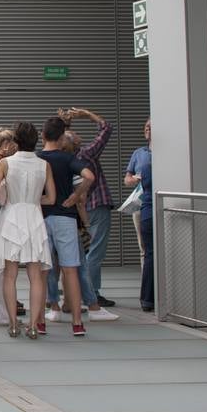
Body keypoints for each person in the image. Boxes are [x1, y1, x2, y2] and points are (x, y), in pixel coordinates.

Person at [0, 121, 56, 338]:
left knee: (10, 274)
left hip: (12, 217)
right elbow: (52, 198)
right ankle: (34, 326)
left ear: (16, 141)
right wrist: (34, 200)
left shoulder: (6, 163)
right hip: (34, 216)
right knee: (36, 276)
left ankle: (14, 324)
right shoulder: (43, 164)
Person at [60, 107, 119, 319]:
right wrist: (88, 114)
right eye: (74, 135)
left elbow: (64, 137)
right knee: (96, 251)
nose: (77, 135)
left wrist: (66, 122)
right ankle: (92, 293)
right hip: (97, 205)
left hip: (78, 209)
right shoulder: (86, 154)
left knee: (79, 253)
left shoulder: (65, 158)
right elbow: (106, 129)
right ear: (75, 143)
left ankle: (75, 294)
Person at [39, 116, 95, 337]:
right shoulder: (68, 158)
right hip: (66, 217)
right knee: (70, 268)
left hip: (41, 217)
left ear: (42, 135)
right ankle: (77, 322)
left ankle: (39, 321)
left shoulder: (37, 158)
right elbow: (89, 176)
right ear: (62, 137)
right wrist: (75, 196)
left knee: (42, 270)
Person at [125, 119, 154, 312]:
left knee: (151, 250)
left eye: (151, 127)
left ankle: (150, 294)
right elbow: (127, 179)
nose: (147, 130)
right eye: (145, 127)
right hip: (141, 205)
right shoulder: (139, 153)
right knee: (145, 249)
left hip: (154, 206)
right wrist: (133, 179)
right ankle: (148, 295)